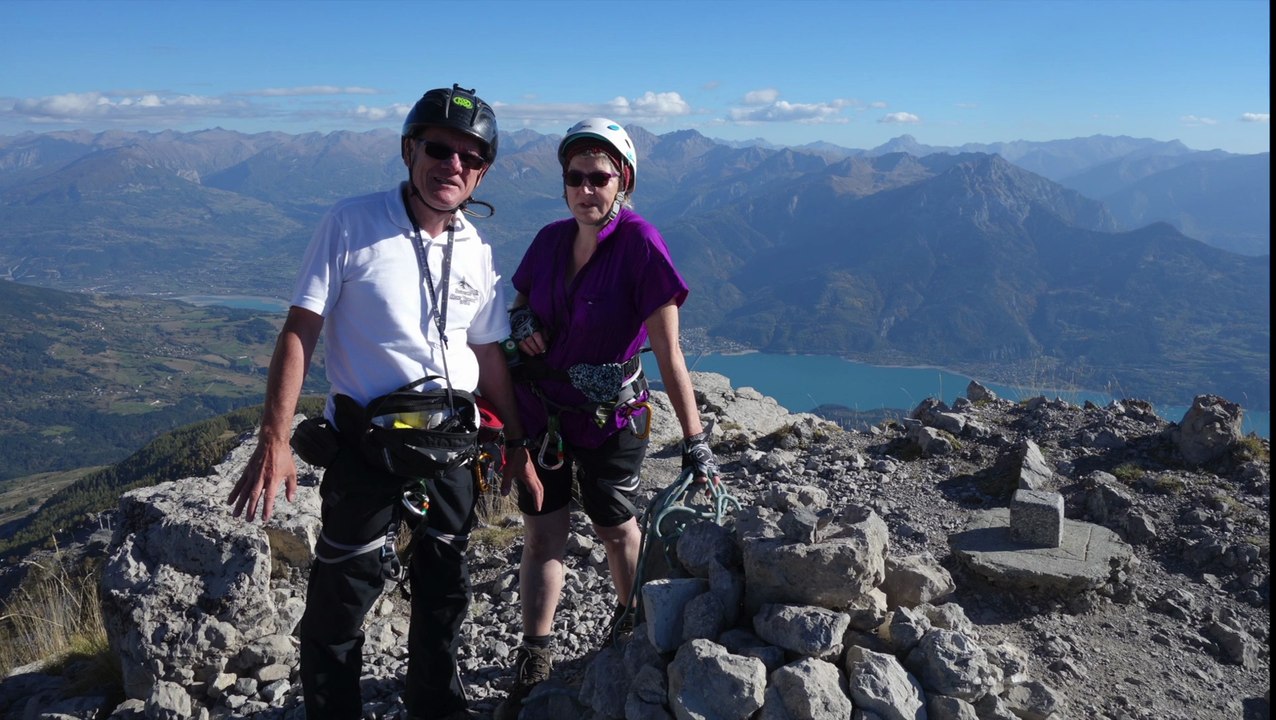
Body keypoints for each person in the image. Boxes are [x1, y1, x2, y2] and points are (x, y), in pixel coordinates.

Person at [227, 83, 535, 720]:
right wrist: (275, 439)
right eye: (439, 148)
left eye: (471, 157)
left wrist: (518, 443)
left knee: (444, 592)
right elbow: (300, 329)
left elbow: (487, 354)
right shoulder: (351, 223)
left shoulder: (476, 249)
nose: (453, 165)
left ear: (482, 173)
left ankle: (436, 709)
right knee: (342, 600)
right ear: (408, 150)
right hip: (368, 446)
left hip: (452, 442)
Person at [494, 118, 720, 719]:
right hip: (542, 414)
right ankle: (535, 651)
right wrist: (522, 326)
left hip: (610, 418)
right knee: (543, 533)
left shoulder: (642, 244)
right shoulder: (548, 241)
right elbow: (515, 307)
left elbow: (669, 351)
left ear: (624, 179)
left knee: (615, 525)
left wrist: (695, 441)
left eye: (600, 177)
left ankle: (632, 623)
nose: (586, 190)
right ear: (564, 184)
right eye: (576, 178)